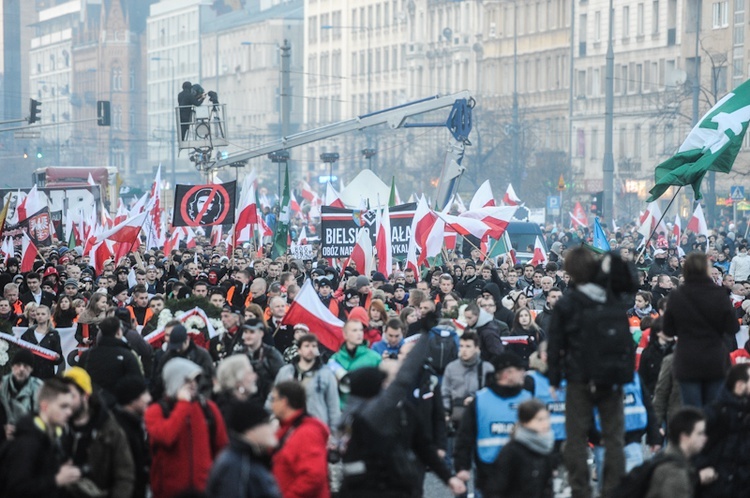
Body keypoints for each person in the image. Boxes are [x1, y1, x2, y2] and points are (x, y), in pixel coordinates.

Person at [335, 337, 466, 498]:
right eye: (395, 377)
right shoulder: (364, 417)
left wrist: (448, 477)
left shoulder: (405, 410)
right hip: (369, 490)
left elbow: (422, 446)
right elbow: (352, 467)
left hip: (403, 487)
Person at [547, 247, 627, 498]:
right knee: (613, 437)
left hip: (578, 375)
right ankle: (613, 490)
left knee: (576, 438)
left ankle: (580, 489)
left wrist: (553, 377)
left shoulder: (567, 302)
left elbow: (555, 343)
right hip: (611, 375)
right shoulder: (611, 296)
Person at [663, 252, 739, 407]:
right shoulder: (719, 294)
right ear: (707, 269)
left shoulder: (677, 295)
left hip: (687, 359)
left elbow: (668, 330)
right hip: (714, 359)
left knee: (693, 412)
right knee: (714, 412)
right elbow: (733, 327)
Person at [145, 357, 228, 498]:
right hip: (168, 492)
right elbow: (167, 437)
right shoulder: (156, 411)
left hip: (204, 491)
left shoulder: (208, 409)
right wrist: (182, 405)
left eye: (195, 381)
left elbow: (222, 448)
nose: (193, 385)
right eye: (187, 381)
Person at [454, 352, 532, 495]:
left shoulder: (528, 399)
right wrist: (462, 466)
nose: (523, 373)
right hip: (488, 471)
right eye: (519, 370)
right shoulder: (481, 400)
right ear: (507, 374)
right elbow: (465, 435)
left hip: (522, 471)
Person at [61, 367, 136, 498]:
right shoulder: (57, 427)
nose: (66, 401)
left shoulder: (109, 429)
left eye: (71, 395)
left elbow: (124, 475)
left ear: (85, 396)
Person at [0, 378, 81, 496]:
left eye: (70, 407)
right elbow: (16, 489)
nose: (69, 412)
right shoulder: (27, 443)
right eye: (63, 406)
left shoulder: (53, 438)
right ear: (44, 406)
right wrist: (56, 480)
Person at [693, 363, 750, 497]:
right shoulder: (714, 413)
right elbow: (691, 446)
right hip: (716, 487)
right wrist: (701, 468)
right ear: (740, 385)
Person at [206, 400, 281, 498]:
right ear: (251, 430)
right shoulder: (237, 465)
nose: (273, 428)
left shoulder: (248, 458)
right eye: (266, 423)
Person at [270, 381, 330, 498]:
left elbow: (314, 476)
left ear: (284, 402)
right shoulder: (287, 430)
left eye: (273, 399)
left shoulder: (307, 433)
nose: (271, 405)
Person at [483, 399, 555, 497]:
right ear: (525, 422)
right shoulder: (512, 451)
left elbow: (546, 487)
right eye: (539, 419)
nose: (545, 423)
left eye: (547, 418)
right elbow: (496, 487)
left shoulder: (546, 447)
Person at [272, 333, 341, 428]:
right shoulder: (286, 372)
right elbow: (272, 398)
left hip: (316, 426)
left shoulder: (326, 374)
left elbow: (333, 405)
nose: (311, 349)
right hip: (288, 426)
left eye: (314, 346)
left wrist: (333, 432)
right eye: (307, 346)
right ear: (299, 350)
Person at [644, 407, 710, 498]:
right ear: (684, 436)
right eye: (699, 434)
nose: (705, 438)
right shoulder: (675, 473)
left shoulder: (666, 459)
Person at [80, 316, 143, 407]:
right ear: (118, 332)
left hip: (93, 405)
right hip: (119, 407)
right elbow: (137, 382)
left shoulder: (87, 355)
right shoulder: (127, 355)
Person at [112, 375, 152, 498]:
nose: (149, 398)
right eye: (144, 394)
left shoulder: (134, 424)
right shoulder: (120, 429)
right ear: (132, 398)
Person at [152, 322, 215, 399]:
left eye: (180, 346)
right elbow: (158, 379)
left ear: (187, 339)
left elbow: (209, 379)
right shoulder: (167, 356)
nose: (177, 350)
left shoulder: (202, 355)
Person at [328, 319, 382, 407]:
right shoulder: (335, 359)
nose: (359, 333)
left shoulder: (374, 358)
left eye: (361, 330)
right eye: (354, 330)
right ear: (345, 335)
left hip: (366, 410)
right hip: (341, 410)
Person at [236, 319, 285, 401]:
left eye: (252, 332)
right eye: (245, 332)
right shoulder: (237, 354)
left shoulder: (271, 354)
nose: (247, 336)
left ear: (261, 334)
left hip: (266, 401)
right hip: (241, 401)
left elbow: (283, 379)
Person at [0, 349, 43, 439]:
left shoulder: (39, 387)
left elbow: (42, 417)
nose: (21, 369)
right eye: (18, 365)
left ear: (31, 369)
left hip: (29, 436)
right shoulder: (2, 384)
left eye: (26, 366)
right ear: (12, 367)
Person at [20, 305, 64, 379]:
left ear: (48, 316)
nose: (40, 316)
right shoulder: (29, 332)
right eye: (38, 314)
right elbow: (21, 350)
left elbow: (59, 357)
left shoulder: (54, 334)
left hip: (47, 373)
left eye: (43, 314)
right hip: (30, 373)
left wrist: (57, 358)